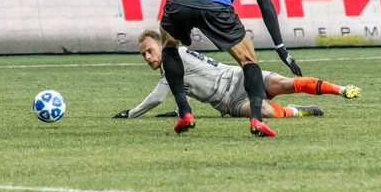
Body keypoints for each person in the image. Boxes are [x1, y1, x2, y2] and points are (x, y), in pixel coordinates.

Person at [98, 0, 302, 137]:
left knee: (168, 49)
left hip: (179, 2)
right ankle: (256, 120)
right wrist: (280, 46)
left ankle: (184, 112)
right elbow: (264, 1)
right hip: (216, 7)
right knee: (249, 62)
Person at [113, 29, 361, 119]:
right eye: (143, 54)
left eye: (150, 51)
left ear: (162, 45)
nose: (147, 57)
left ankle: (341, 89)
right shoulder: (175, 60)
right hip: (229, 102)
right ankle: (297, 110)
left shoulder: (173, 57)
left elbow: (157, 98)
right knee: (263, 111)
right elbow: (190, 85)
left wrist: (130, 114)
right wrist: (180, 110)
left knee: (285, 83)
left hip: (237, 77)